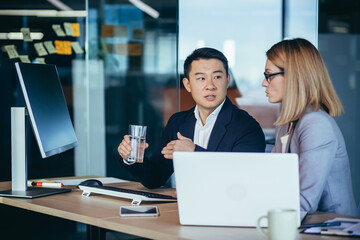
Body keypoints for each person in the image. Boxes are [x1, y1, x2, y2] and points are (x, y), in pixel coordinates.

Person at [118, 47, 265, 189]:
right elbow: (155, 177)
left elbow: (243, 180)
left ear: (227, 81)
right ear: (187, 85)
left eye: (217, 77)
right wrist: (131, 157)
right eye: (201, 78)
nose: (210, 86)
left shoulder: (247, 128)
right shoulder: (178, 122)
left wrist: (194, 153)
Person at [262, 38, 357, 216]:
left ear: (293, 76)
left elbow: (305, 201)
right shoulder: (287, 122)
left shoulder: (316, 124)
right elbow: (275, 174)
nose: (264, 83)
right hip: (306, 223)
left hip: (332, 228)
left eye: (269, 75)